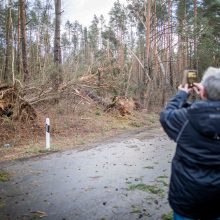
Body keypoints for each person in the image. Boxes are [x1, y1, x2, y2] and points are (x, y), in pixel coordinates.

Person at [160, 67, 220, 220]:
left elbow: (166, 116)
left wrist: (181, 95)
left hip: (186, 201)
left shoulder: (186, 118)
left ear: (202, 92)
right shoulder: (188, 116)